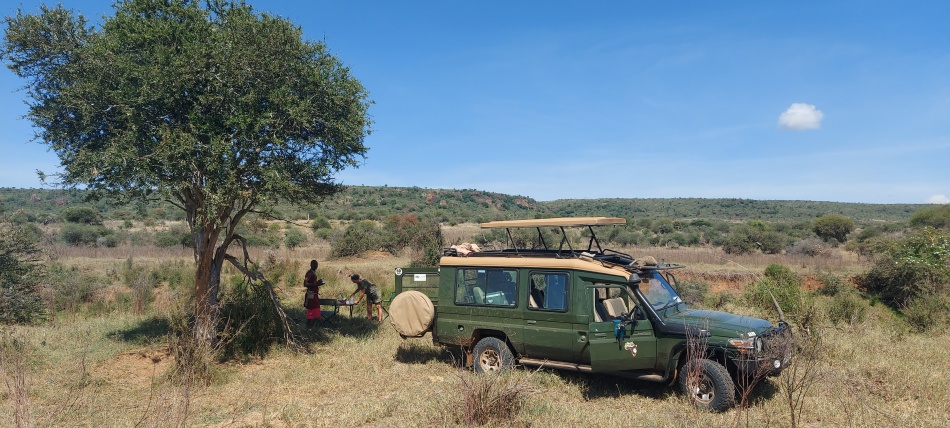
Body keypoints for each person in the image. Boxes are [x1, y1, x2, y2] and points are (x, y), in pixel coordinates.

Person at [303, 260, 325, 329]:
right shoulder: (309, 273)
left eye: (316, 264)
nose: (316, 266)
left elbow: (313, 283)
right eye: (314, 264)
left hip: (314, 294)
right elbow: (305, 284)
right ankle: (309, 327)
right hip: (311, 295)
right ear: (311, 265)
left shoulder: (314, 272)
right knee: (312, 311)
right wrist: (316, 284)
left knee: (314, 312)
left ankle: (309, 327)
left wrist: (318, 283)